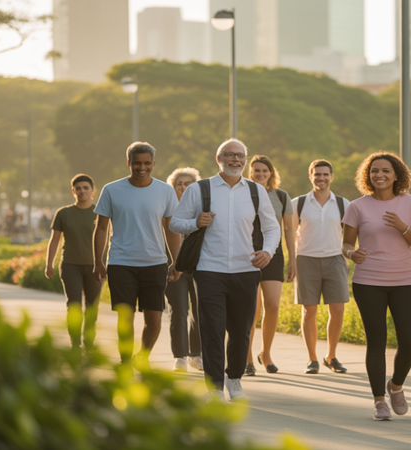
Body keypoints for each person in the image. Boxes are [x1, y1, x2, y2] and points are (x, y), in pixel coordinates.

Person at [170, 139, 281, 402]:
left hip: (246, 270)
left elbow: (272, 227)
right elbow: (175, 222)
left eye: (240, 155)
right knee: (212, 330)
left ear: (245, 159)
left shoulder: (256, 191)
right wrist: (195, 222)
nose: (235, 160)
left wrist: (268, 251)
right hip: (209, 270)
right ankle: (214, 387)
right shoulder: (199, 189)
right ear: (218, 158)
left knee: (241, 331)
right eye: (229, 155)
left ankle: (234, 379)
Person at [341, 152, 411, 421]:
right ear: (367, 176)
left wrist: (402, 228)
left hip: (405, 280)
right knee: (376, 342)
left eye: (385, 171)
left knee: (410, 342)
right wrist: (351, 254)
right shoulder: (357, 206)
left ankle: (396, 385)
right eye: (374, 171)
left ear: (397, 175)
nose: (379, 175)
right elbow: (346, 244)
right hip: (368, 281)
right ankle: (379, 400)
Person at [94, 142, 181, 365]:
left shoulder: (165, 191)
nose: (141, 168)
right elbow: (101, 228)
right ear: (128, 163)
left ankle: (142, 358)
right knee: (125, 317)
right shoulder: (112, 190)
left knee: (154, 319)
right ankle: (125, 363)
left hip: (154, 263)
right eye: (136, 163)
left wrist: (176, 261)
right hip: (121, 263)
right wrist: (98, 261)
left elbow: (171, 229)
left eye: (146, 163)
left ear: (153, 163)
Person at [292, 159, 352, 374]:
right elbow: (289, 234)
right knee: (309, 311)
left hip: (334, 259)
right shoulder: (297, 203)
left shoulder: (344, 204)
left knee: (337, 310)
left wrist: (349, 255)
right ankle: (312, 359)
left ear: (331, 177)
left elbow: (350, 236)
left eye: (325, 174)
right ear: (311, 176)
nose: (321, 178)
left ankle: (331, 356)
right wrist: (292, 261)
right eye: (317, 174)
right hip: (305, 259)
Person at [244, 155, 297, 375]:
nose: (260, 174)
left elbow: (288, 230)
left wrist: (293, 259)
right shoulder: (242, 193)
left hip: (273, 255)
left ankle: (265, 353)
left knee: (273, 305)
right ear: (251, 172)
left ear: (271, 173)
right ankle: (247, 359)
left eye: (264, 171)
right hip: (245, 255)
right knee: (251, 310)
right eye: (256, 170)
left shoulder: (282, 196)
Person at [45, 174, 103, 350]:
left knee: (92, 306)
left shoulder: (101, 213)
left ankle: (89, 341)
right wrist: (49, 263)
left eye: (86, 188)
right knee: (74, 305)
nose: (82, 191)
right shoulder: (63, 213)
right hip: (70, 265)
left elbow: (108, 238)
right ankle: (75, 343)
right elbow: (54, 240)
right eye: (78, 188)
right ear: (73, 191)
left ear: (93, 191)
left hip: (95, 266)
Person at [165, 167, 204, 372]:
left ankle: (195, 355)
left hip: (199, 267)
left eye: (187, 183)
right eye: (179, 184)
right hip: (174, 268)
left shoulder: (201, 208)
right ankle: (179, 356)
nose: (183, 187)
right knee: (179, 311)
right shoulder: (167, 209)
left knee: (199, 312)